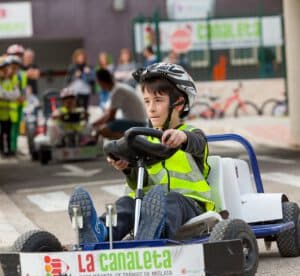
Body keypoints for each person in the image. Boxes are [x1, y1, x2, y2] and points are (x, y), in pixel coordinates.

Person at [67, 62, 214, 244]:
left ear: (179, 103)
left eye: (158, 101)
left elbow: (198, 143)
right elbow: (141, 181)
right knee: (126, 204)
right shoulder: (146, 141)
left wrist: (182, 136)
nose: (151, 108)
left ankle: (157, 233)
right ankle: (100, 233)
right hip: (150, 204)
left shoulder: (192, 133)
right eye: (147, 101)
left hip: (190, 204)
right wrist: (127, 168)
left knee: (171, 201)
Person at [92, 69, 147, 139]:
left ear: (101, 82)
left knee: (103, 130)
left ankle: (131, 142)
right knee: (104, 127)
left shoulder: (117, 91)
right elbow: (108, 113)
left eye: (97, 82)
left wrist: (97, 126)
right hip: (138, 121)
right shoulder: (117, 88)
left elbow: (110, 117)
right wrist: (95, 123)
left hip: (138, 123)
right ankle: (129, 141)